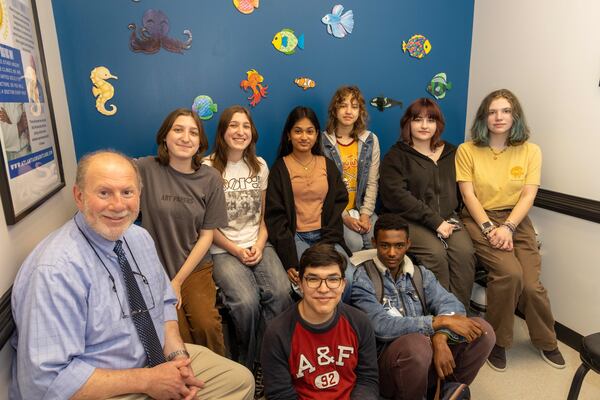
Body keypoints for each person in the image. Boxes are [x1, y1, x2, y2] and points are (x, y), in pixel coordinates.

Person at [10, 150, 254, 400]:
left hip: (153, 359)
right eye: (104, 193)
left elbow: (165, 302)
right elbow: (46, 382)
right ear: (79, 196)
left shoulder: (139, 238)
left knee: (239, 381)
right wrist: (147, 380)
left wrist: (178, 357)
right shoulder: (54, 270)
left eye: (127, 192)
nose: (118, 206)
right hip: (101, 387)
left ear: (139, 196)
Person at [456, 88, 565, 371]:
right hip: (480, 218)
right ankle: (497, 341)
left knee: (531, 285)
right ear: (484, 117)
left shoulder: (531, 151)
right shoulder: (468, 150)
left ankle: (546, 340)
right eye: (492, 111)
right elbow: (468, 196)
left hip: (516, 220)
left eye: (505, 111)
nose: (498, 117)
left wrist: (509, 227)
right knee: (509, 273)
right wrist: (491, 228)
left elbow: (528, 195)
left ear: (515, 115)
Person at [351, 213, 494, 400]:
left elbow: (453, 305)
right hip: (389, 365)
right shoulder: (362, 277)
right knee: (416, 345)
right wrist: (437, 322)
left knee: (482, 331)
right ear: (374, 243)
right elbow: (380, 326)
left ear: (408, 244)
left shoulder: (421, 274)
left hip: (426, 355)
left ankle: (447, 391)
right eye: (385, 245)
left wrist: (441, 338)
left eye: (399, 245)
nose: (392, 253)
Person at [203, 106, 293, 374]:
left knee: (280, 293)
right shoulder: (208, 168)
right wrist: (236, 250)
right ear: (222, 131)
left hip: (259, 243)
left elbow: (264, 216)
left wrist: (258, 243)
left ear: (252, 132)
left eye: (245, 126)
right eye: (233, 125)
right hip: (223, 250)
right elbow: (206, 225)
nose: (240, 131)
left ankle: (267, 362)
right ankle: (246, 366)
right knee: (246, 302)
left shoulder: (260, 165)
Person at [136, 108, 226, 355]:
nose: (186, 137)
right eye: (178, 129)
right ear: (165, 136)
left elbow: (207, 235)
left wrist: (177, 281)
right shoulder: (145, 168)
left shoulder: (211, 178)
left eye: (193, 132)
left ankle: (223, 381)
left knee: (207, 325)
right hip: (155, 269)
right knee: (177, 333)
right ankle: (186, 385)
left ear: (200, 143)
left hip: (194, 267)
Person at [379, 98, 476, 309]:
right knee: (436, 255)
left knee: (464, 253)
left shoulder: (452, 152)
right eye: (418, 120)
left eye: (431, 120)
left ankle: (459, 315)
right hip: (409, 219)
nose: (424, 126)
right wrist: (435, 222)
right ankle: (439, 315)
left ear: (438, 124)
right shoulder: (396, 156)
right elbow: (397, 197)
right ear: (408, 123)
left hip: (448, 218)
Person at [261, 243, 379, 400]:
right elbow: (280, 394)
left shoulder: (359, 322)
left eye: (333, 279)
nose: (323, 289)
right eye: (313, 279)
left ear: (343, 285)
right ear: (300, 284)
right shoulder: (277, 333)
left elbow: (367, 380)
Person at [265, 106, 354, 300]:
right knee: (308, 281)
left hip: (326, 235)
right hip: (296, 238)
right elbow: (276, 218)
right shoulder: (280, 169)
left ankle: (338, 323)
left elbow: (338, 202)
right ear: (289, 135)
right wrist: (289, 260)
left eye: (309, 131)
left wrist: (327, 243)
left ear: (316, 135)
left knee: (349, 279)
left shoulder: (327, 165)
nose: (304, 137)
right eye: (298, 131)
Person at [322, 86, 380, 252]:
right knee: (354, 243)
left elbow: (372, 182)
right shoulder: (323, 142)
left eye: (354, 106)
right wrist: (345, 217)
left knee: (374, 240)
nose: (349, 111)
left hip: (362, 207)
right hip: (337, 212)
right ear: (334, 109)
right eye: (343, 105)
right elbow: (323, 188)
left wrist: (365, 214)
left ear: (360, 111)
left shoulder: (370, 140)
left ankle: (370, 278)